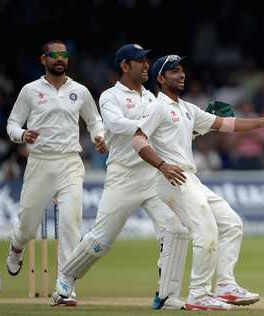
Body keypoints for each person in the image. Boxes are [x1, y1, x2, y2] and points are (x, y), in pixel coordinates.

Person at [131, 54, 264, 311]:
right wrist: (162, 166)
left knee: (231, 224)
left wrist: (263, 122)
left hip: (189, 178)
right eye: (174, 71)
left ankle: (226, 286)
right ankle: (199, 294)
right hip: (171, 178)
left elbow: (226, 124)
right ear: (161, 78)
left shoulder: (186, 108)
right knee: (205, 230)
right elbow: (138, 140)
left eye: (182, 70)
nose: (181, 74)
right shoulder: (157, 106)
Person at [52, 44, 188, 309]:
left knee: (176, 230)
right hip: (123, 177)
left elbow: (169, 127)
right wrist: (150, 125)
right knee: (101, 241)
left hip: (152, 175)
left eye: (148, 61)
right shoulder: (109, 96)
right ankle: (65, 280)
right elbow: (114, 124)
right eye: (140, 61)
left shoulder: (152, 98)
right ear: (125, 66)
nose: (147, 65)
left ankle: (167, 294)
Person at [5, 40, 107, 306]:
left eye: (64, 55)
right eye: (54, 55)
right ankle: (17, 246)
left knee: (70, 224)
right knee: (28, 224)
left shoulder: (80, 91)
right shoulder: (30, 91)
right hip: (39, 163)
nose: (60, 59)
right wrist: (22, 135)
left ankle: (65, 287)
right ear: (44, 59)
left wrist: (98, 136)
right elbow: (13, 123)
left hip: (70, 163)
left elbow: (94, 120)